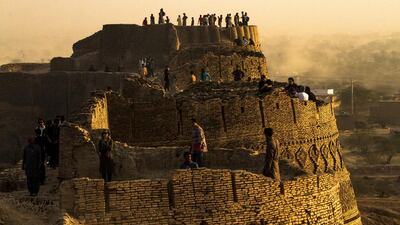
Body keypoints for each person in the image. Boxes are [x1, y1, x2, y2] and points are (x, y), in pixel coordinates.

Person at [34, 119, 47, 185]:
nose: (40, 123)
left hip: (41, 152)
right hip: (40, 152)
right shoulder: (38, 137)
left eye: (41, 122)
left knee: (41, 166)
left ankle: (41, 180)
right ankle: (41, 180)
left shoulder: (45, 129)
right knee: (40, 166)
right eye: (40, 122)